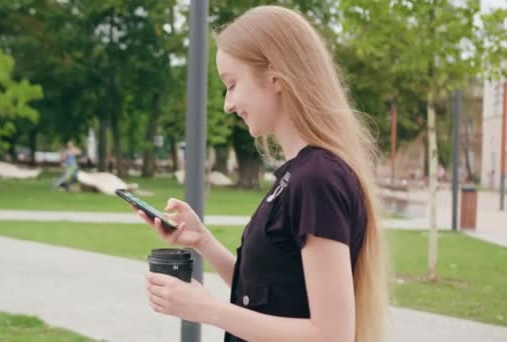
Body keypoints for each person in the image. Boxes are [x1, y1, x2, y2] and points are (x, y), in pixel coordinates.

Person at [134, 6, 388, 342]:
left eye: (232, 84)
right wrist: (203, 242)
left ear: (274, 78)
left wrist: (206, 309)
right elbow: (267, 295)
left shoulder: (317, 180)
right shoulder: (297, 175)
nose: (227, 104)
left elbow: (331, 335)